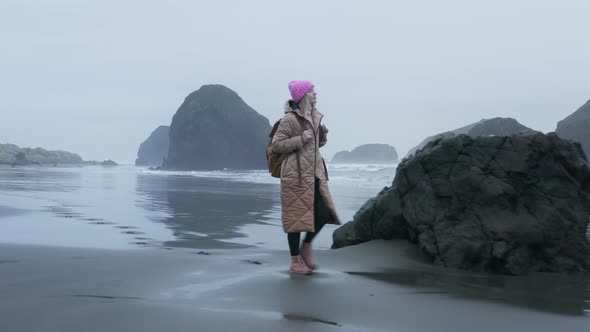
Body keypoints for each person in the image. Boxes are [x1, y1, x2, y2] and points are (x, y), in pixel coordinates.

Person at [271, 80, 340, 275]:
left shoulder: (315, 116)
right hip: (296, 175)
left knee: (324, 213)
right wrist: (300, 139)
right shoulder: (290, 120)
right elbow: (277, 144)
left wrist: (323, 136)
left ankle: (306, 247)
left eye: (314, 90)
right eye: (311, 91)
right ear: (302, 96)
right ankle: (295, 262)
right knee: (296, 218)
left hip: (315, 173)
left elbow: (314, 147)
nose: (315, 93)